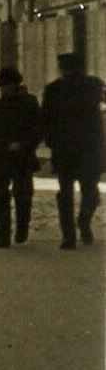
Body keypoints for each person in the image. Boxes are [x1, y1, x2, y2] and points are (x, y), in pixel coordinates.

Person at [40, 51, 105, 249]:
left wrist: (51, 142)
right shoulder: (94, 85)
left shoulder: (53, 89)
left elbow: (46, 119)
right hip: (88, 148)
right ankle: (84, 220)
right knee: (90, 190)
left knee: (65, 193)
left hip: (65, 148)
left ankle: (68, 236)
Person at [0, 67, 41, 248]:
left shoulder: (29, 104)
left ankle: (21, 228)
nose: (6, 89)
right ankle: (3, 235)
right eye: (3, 86)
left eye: (9, 85)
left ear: (16, 85)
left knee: (23, 195)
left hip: (22, 157)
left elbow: (37, 129)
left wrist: (24, 145)